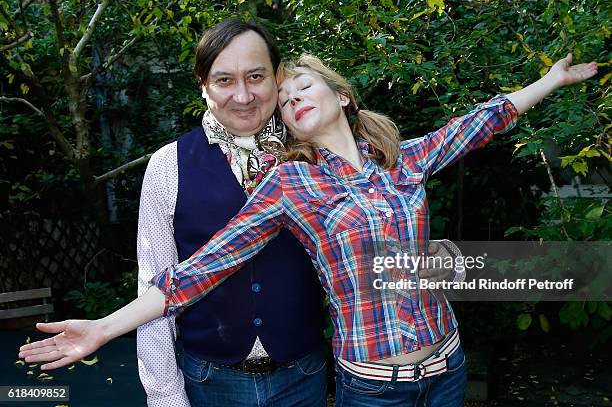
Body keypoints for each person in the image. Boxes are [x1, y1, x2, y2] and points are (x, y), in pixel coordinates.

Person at [19, 51, 597, 405]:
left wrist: (549, 81)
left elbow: (480, 122)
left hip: (447, 368)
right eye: (285, 97)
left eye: (305, 87)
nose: (293, 98)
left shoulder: (401, 158)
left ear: (340, 96)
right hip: (374, 388)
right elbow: (199, 270)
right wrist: (104, 327)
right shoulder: (289, 186)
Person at [134, 20, 328, 407]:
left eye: (255, 76)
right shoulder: (167, 166)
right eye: (224, 80)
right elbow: (152, 287)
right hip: (209, 382)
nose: (243, 96)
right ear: (203, 84)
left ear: (277, 77)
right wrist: (166, 398)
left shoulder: (318, 152)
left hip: (304, 376)